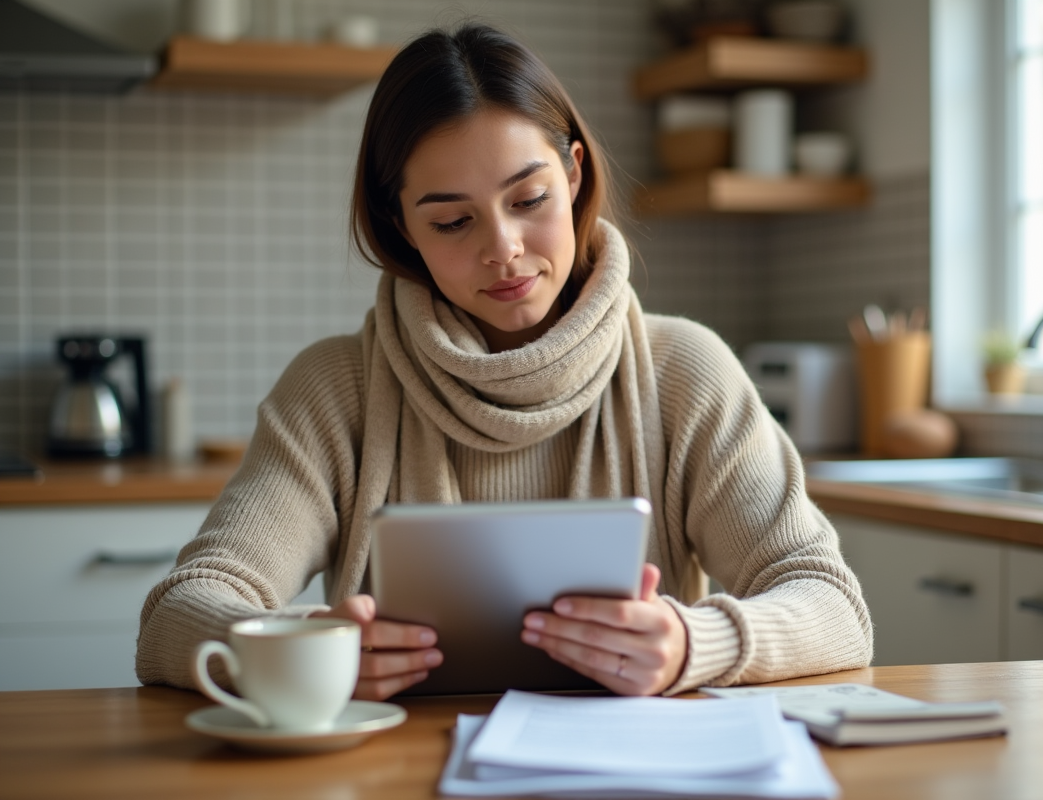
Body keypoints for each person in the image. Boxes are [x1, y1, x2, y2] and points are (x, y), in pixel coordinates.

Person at [136, 23, 872, 699]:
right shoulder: (335, 391)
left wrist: (691, 643)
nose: (503, 248)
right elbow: (179, 612)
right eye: (452, 221)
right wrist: (307, 649)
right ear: (402, 225)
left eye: (529, 198)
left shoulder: (685, 371)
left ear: (575, 174)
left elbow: (833, 604)